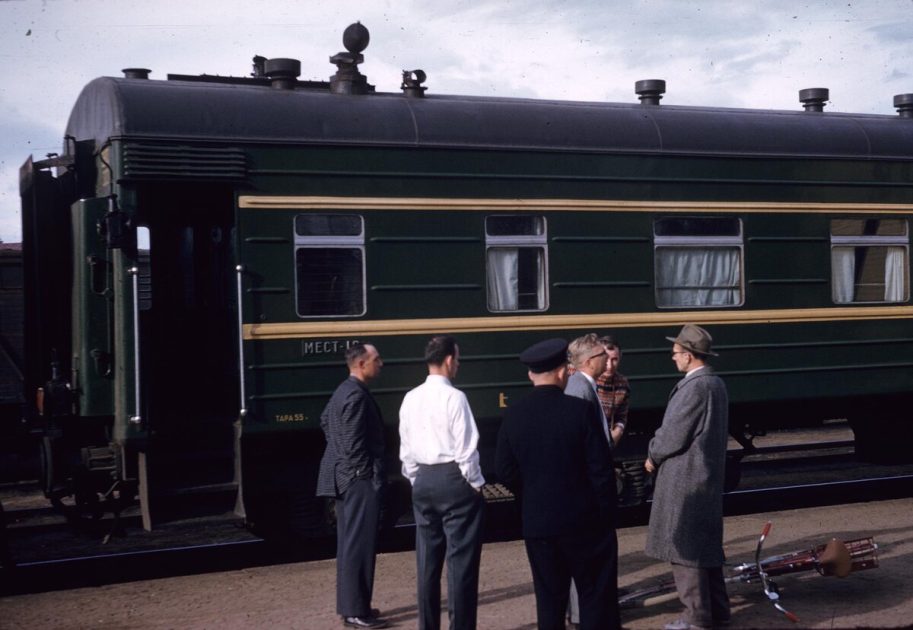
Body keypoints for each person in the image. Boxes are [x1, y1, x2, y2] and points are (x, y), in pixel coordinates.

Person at [496, 338, 620, 630]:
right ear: (564, 371)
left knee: (549, 602)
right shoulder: (580, 411)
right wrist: (606, 514)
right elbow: (600, 470)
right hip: (585, 523)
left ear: (530, 374)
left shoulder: (513, 415)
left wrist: (532, 493)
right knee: (594, 599)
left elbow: (504, 470)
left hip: (539, 524)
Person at [645, 325, 731, 630]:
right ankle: (718, 612)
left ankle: (696, 619)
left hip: (685, 477)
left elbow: (673, 435)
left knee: (684, 548)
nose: (673, 358)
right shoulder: (715, 384)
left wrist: (652, 453)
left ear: (690, 355)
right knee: (706, 549)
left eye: (676, 353)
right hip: (704, 475)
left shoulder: (695, 387)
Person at [399, 335, 485, 630]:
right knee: (461, 564)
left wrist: (416, 479)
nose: (458, 365)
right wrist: (475, 484)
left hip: (422, 480)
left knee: (427, 562)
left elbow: (406, 450)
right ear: (449, 360)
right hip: (453, 480)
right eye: (457, 359)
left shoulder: (410, 397)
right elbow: (466, 449)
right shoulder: (455, 397)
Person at [316, 343, 389, 629]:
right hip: (357, 480)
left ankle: (354, 607)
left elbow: (325, 421)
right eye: (376, 359)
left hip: (345, 477)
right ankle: (356, 612)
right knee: (359, 545)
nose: (381, 364)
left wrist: (338, 454)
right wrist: (362, 472)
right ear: (361, 364)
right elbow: (353, 443)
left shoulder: (342, 391)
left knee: (350, 545)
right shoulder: (356, 396)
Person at [563, 333, 615, 628]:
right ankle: (583, 614)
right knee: (583, 556)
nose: (608, 359)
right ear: (588, 361)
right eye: (602, 355)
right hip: (586, 491)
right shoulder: (578, 390)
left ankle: (586, 612)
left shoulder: (585, 386)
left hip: (588, 489)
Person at [596, 336, 630, 447]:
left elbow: (621, 415)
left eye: (614, 359)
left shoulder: (622, 383)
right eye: (606, 360)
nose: (609, 366)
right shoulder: (588, 380)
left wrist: (618, 431)